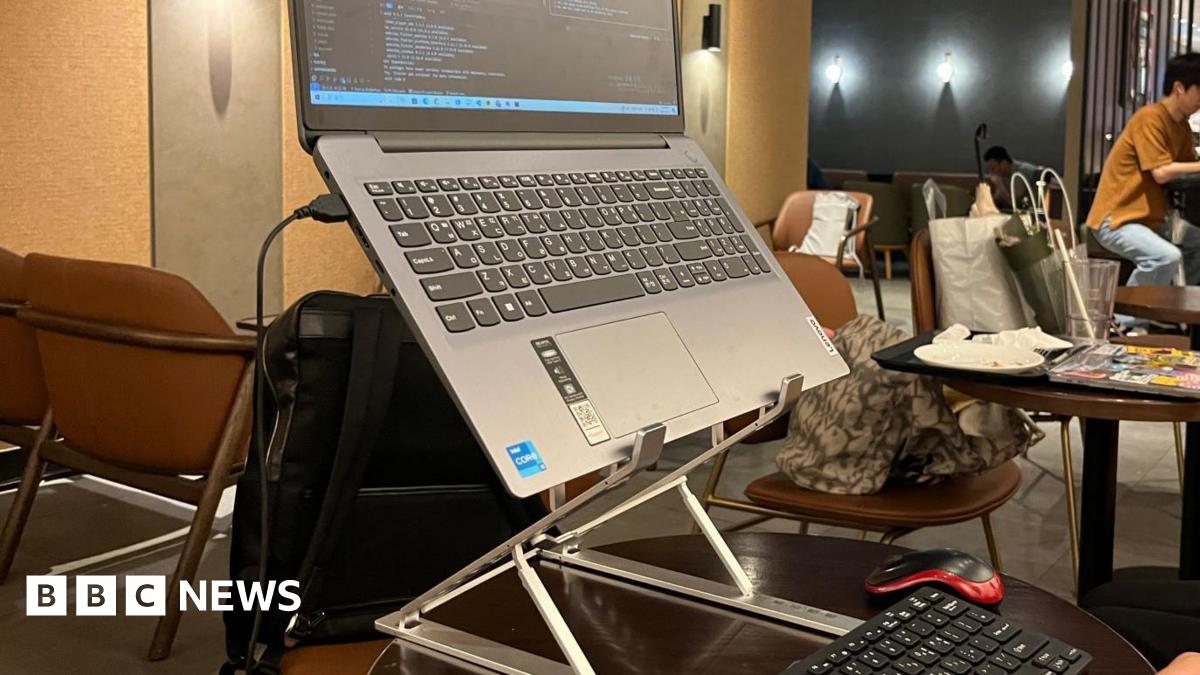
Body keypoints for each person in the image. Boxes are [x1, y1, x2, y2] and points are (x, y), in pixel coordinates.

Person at [1085, 52, 1200, 302]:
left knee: (1197, 243)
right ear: (1179, 88)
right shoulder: (1150, 118)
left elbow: (1191, 166)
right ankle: (1125, 320)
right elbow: (1161, 173)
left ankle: (1175, 306)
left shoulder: (1181, 127)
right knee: (1165, 257)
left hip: (1149, 220)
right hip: (1116, 219)